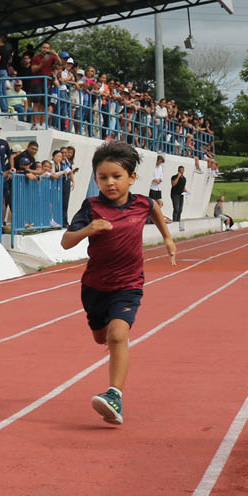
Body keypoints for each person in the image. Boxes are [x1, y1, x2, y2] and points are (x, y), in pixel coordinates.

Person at [60, 141, 176, 426]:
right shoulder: (92, 207)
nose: (110, 183)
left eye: (116, 176)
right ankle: (105, 338)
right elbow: (65, 242)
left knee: (117, 335)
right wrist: (89, 229)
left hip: (129, 285)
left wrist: (168, 238)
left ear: (132, 178)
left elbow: (155, 211)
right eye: (103, 177)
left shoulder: (142, 203)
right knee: (102, 337)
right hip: (95, 287)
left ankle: (114, 395)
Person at [169, 165, 187, 231]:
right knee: (176, 208)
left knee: (180, 209)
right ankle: (175, 222)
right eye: (180, 170)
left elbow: (183, 187)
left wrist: (186, 191)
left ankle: (178, 222)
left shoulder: (184, 178)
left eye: (183, 170)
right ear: (178, 170)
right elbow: (173, 184)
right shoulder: (174, 177)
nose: (182, 171)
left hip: (181, 195)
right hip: (175, 194)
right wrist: (178, 177)